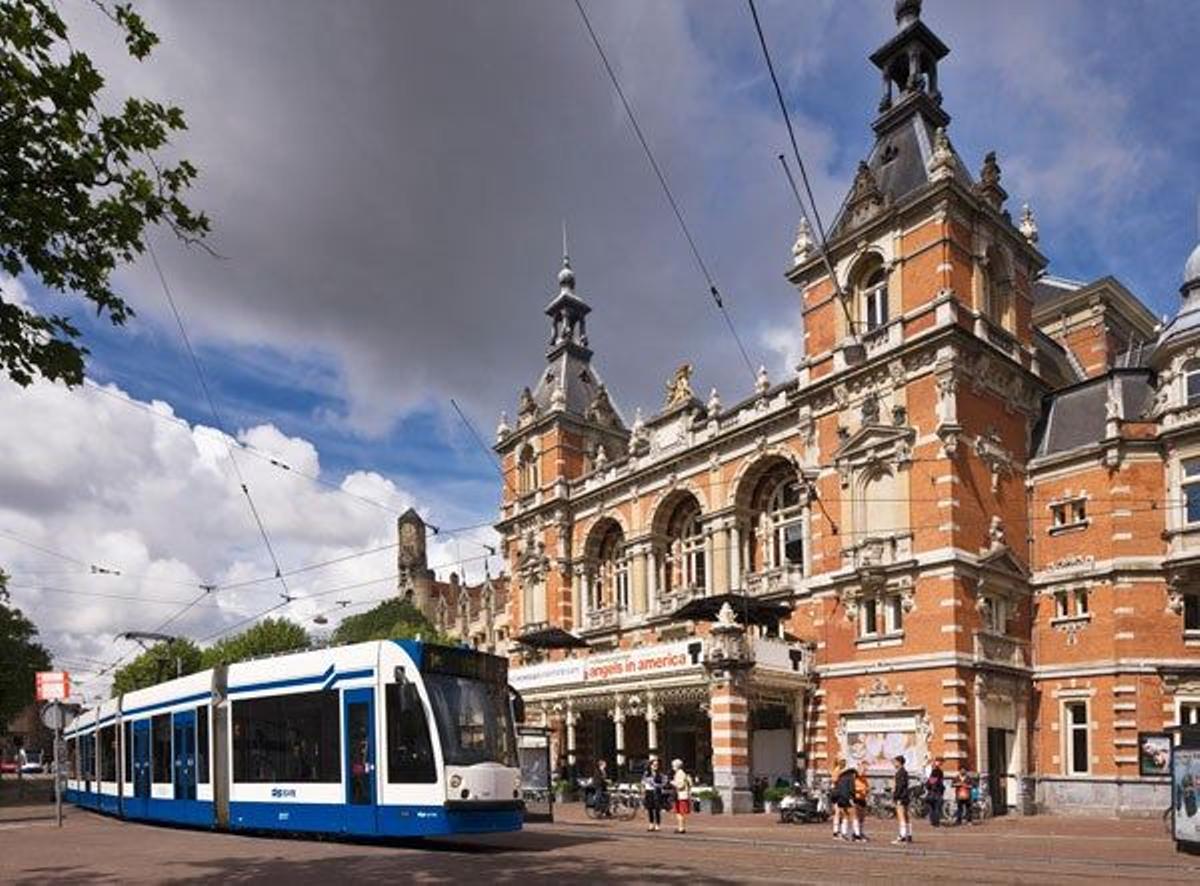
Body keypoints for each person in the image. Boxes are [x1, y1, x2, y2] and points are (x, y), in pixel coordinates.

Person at [831, 758, 855, 840]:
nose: (844, 764)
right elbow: (834, 780)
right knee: (839, 813)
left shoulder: (839, 770)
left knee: (840, 813)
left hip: (838, 793)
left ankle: (838, 832)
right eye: (843, 762)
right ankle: (837, 832)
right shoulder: (837, 770)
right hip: (838, 793)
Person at [891, 754, 912, 845]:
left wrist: (896, 796)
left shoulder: (900, 772)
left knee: (901, 816)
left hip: (901, 797)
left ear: (899, 762)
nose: (894, 763)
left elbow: (899, 786)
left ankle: (902, 836)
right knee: (906, 816)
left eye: (895, 762)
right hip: (905, 796)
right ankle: (908, 834)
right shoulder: (904, 772)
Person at [642, 757, 666, 832]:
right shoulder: (646, 773)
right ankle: (651, 824)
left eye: (657, 765)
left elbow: (663, 783)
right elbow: (643, 782)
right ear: (650, 765)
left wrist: (657, 785)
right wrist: (643, 790)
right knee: (650, 808)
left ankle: (657, 825)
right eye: (654, 765)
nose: (655, 766)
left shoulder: (660, 774)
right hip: (649, 792)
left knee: (657, 809)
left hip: (657, 792)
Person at [671, 758, 692, 834]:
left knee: (680, 812)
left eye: (673, 766)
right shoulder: (681, 773)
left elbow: (680, 785)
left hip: (681, 795)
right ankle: (680, 827)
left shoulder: (680, 773)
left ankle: (681, 828)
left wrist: (672, 782)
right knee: (679, 812)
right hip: (681, 795)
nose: (672, 767)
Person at [926, 757, 946, 827]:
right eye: (940, 761)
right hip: (935, 792)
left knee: (933, 808)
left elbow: (929, 782)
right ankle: (935, 822)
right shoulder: (936, 771)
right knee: (936, 807)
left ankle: (933, 822)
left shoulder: (935, 770)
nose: (941, 763)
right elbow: (932, 781)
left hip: (933, 791)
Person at [852, 767, 870, 841]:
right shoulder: (854, 779)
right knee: (856, 816)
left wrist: (867, 790)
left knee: (862, 817)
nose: (863, 773)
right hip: (856, 799)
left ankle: (861, 832)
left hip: (863, 799)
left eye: (864, 771)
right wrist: (859, 790)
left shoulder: (864, 779)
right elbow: (851, 789)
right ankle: (856, 834)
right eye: (862, 771)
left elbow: (867, 787)